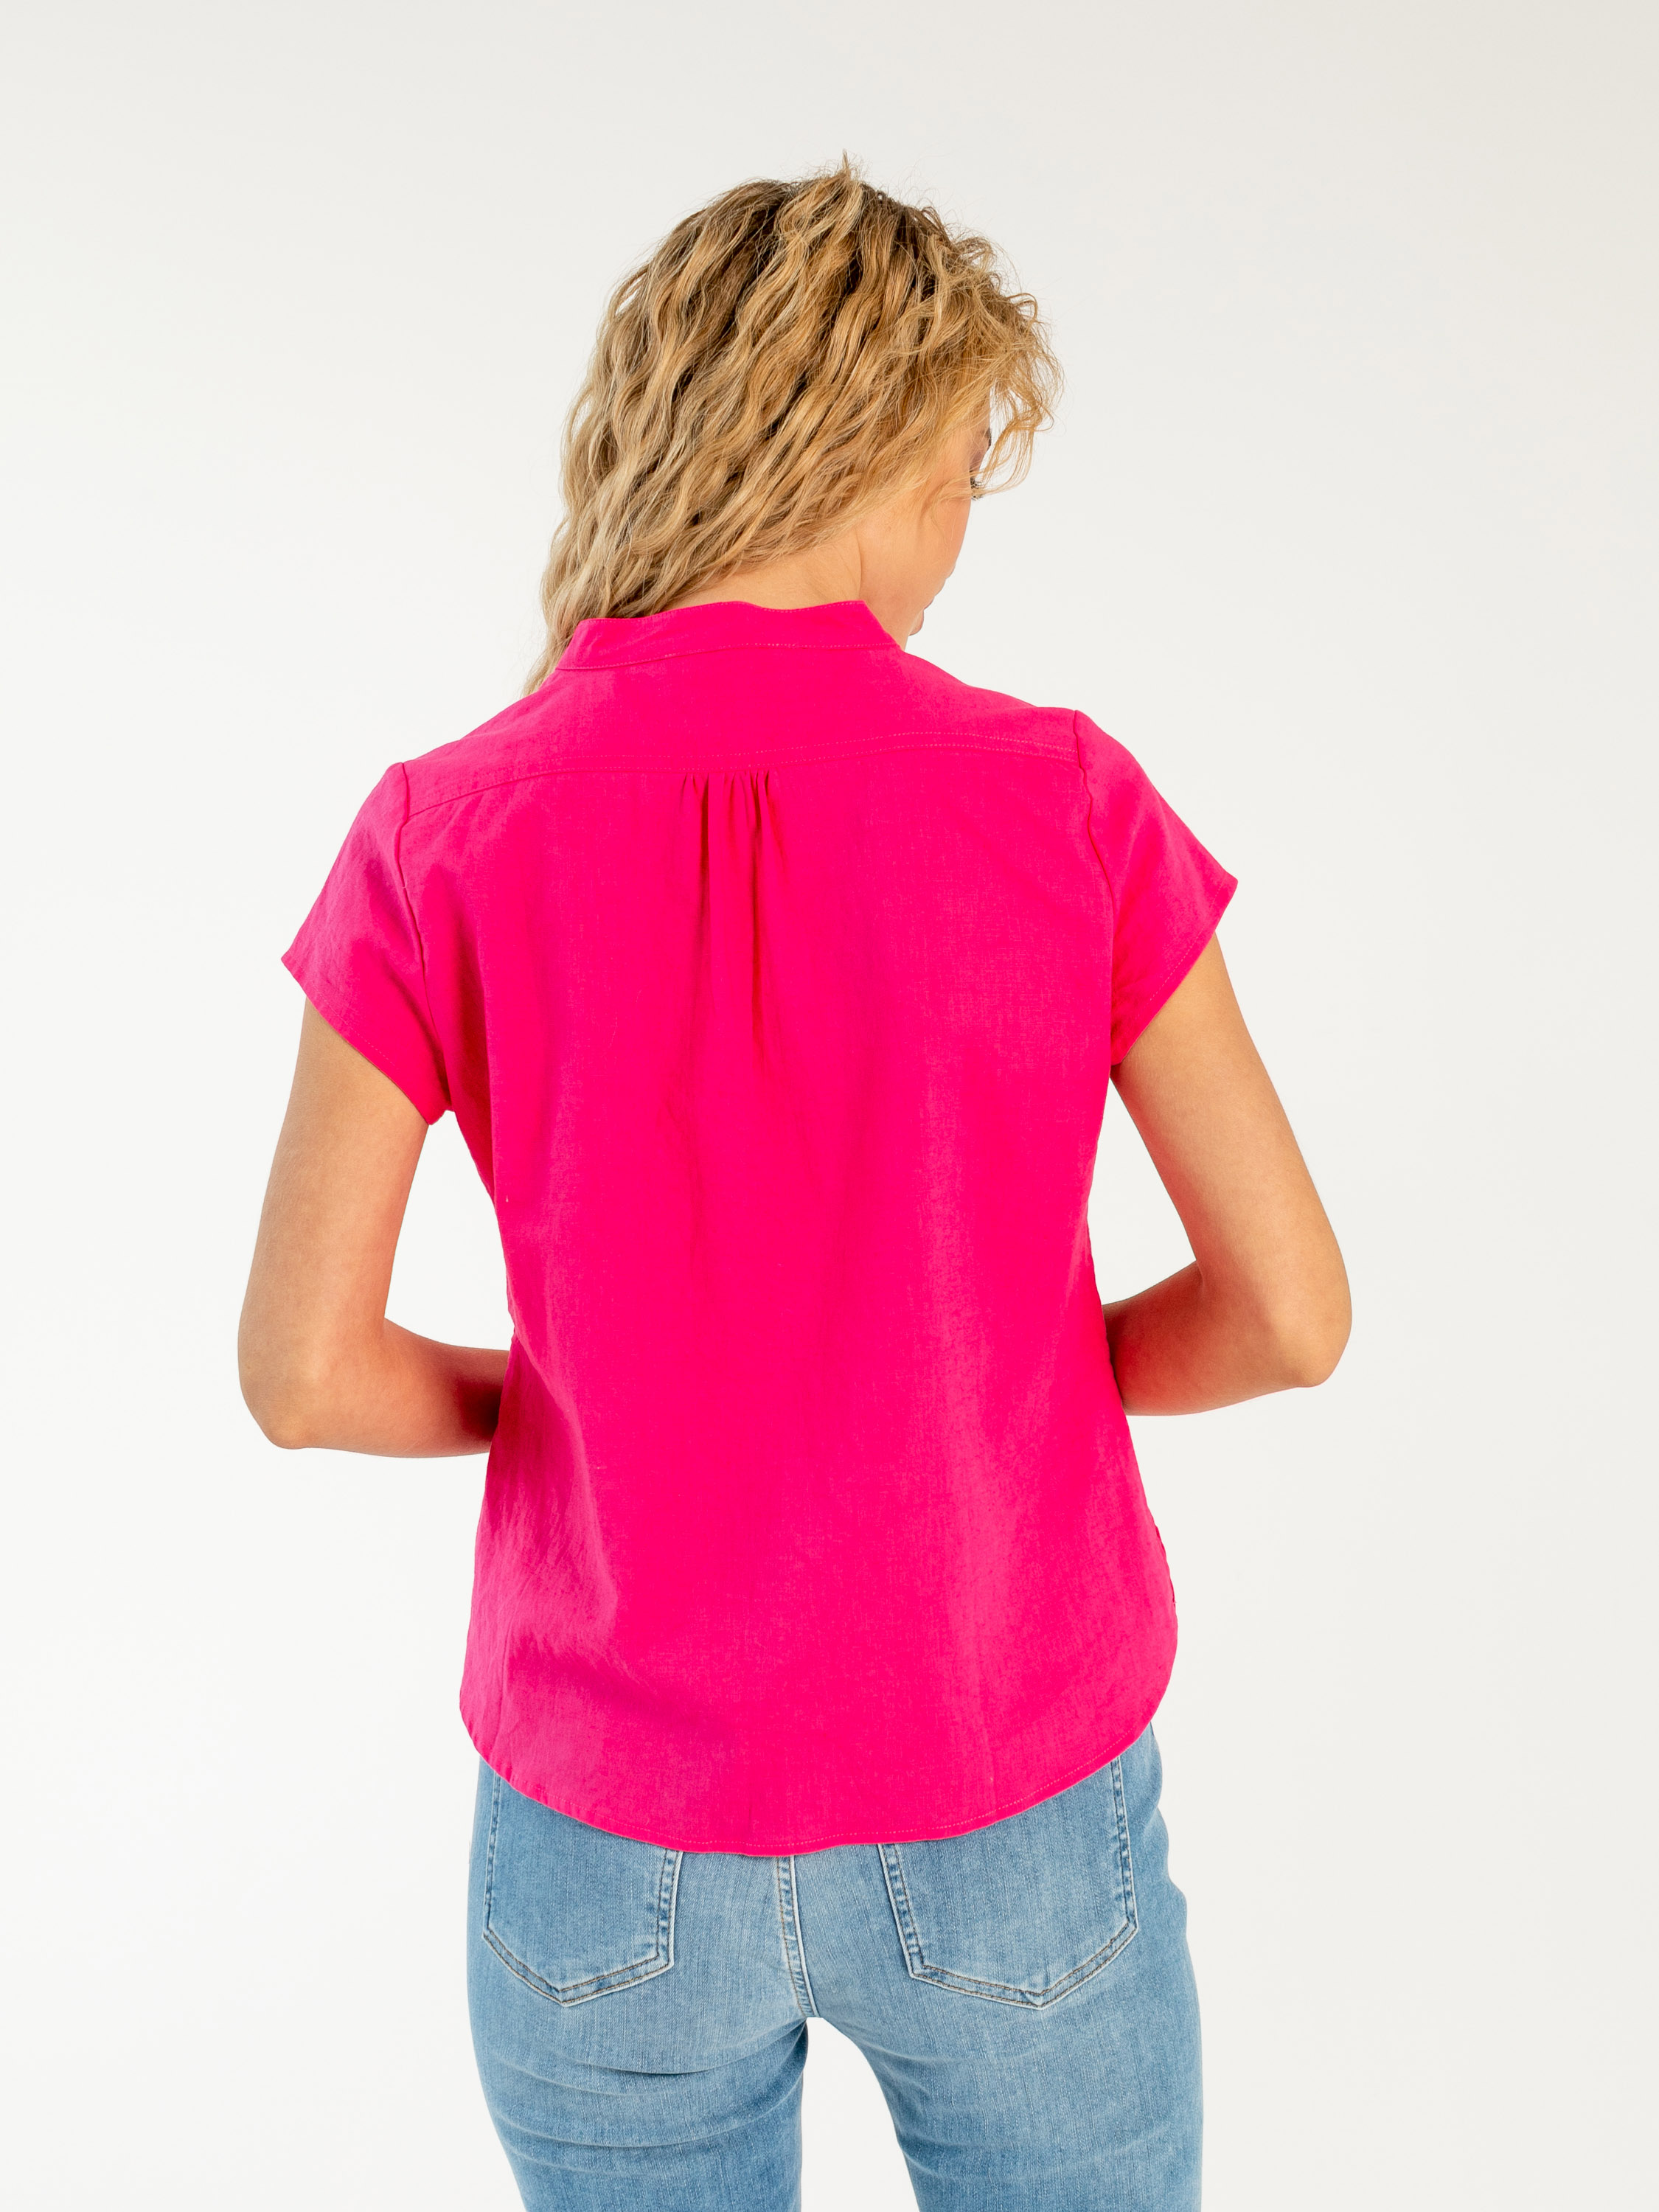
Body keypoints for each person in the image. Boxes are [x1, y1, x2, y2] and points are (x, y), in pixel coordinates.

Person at [238, 162, 1349, 2212]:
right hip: (1006, 1777)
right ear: (879, 452)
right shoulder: (1063, 799)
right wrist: (1005, 1389)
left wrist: (559, 1412)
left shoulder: (438, 831)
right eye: (960, 476)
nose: (953, 542)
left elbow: (302, 1375)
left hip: (604, 1839)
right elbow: (1289, 1311)